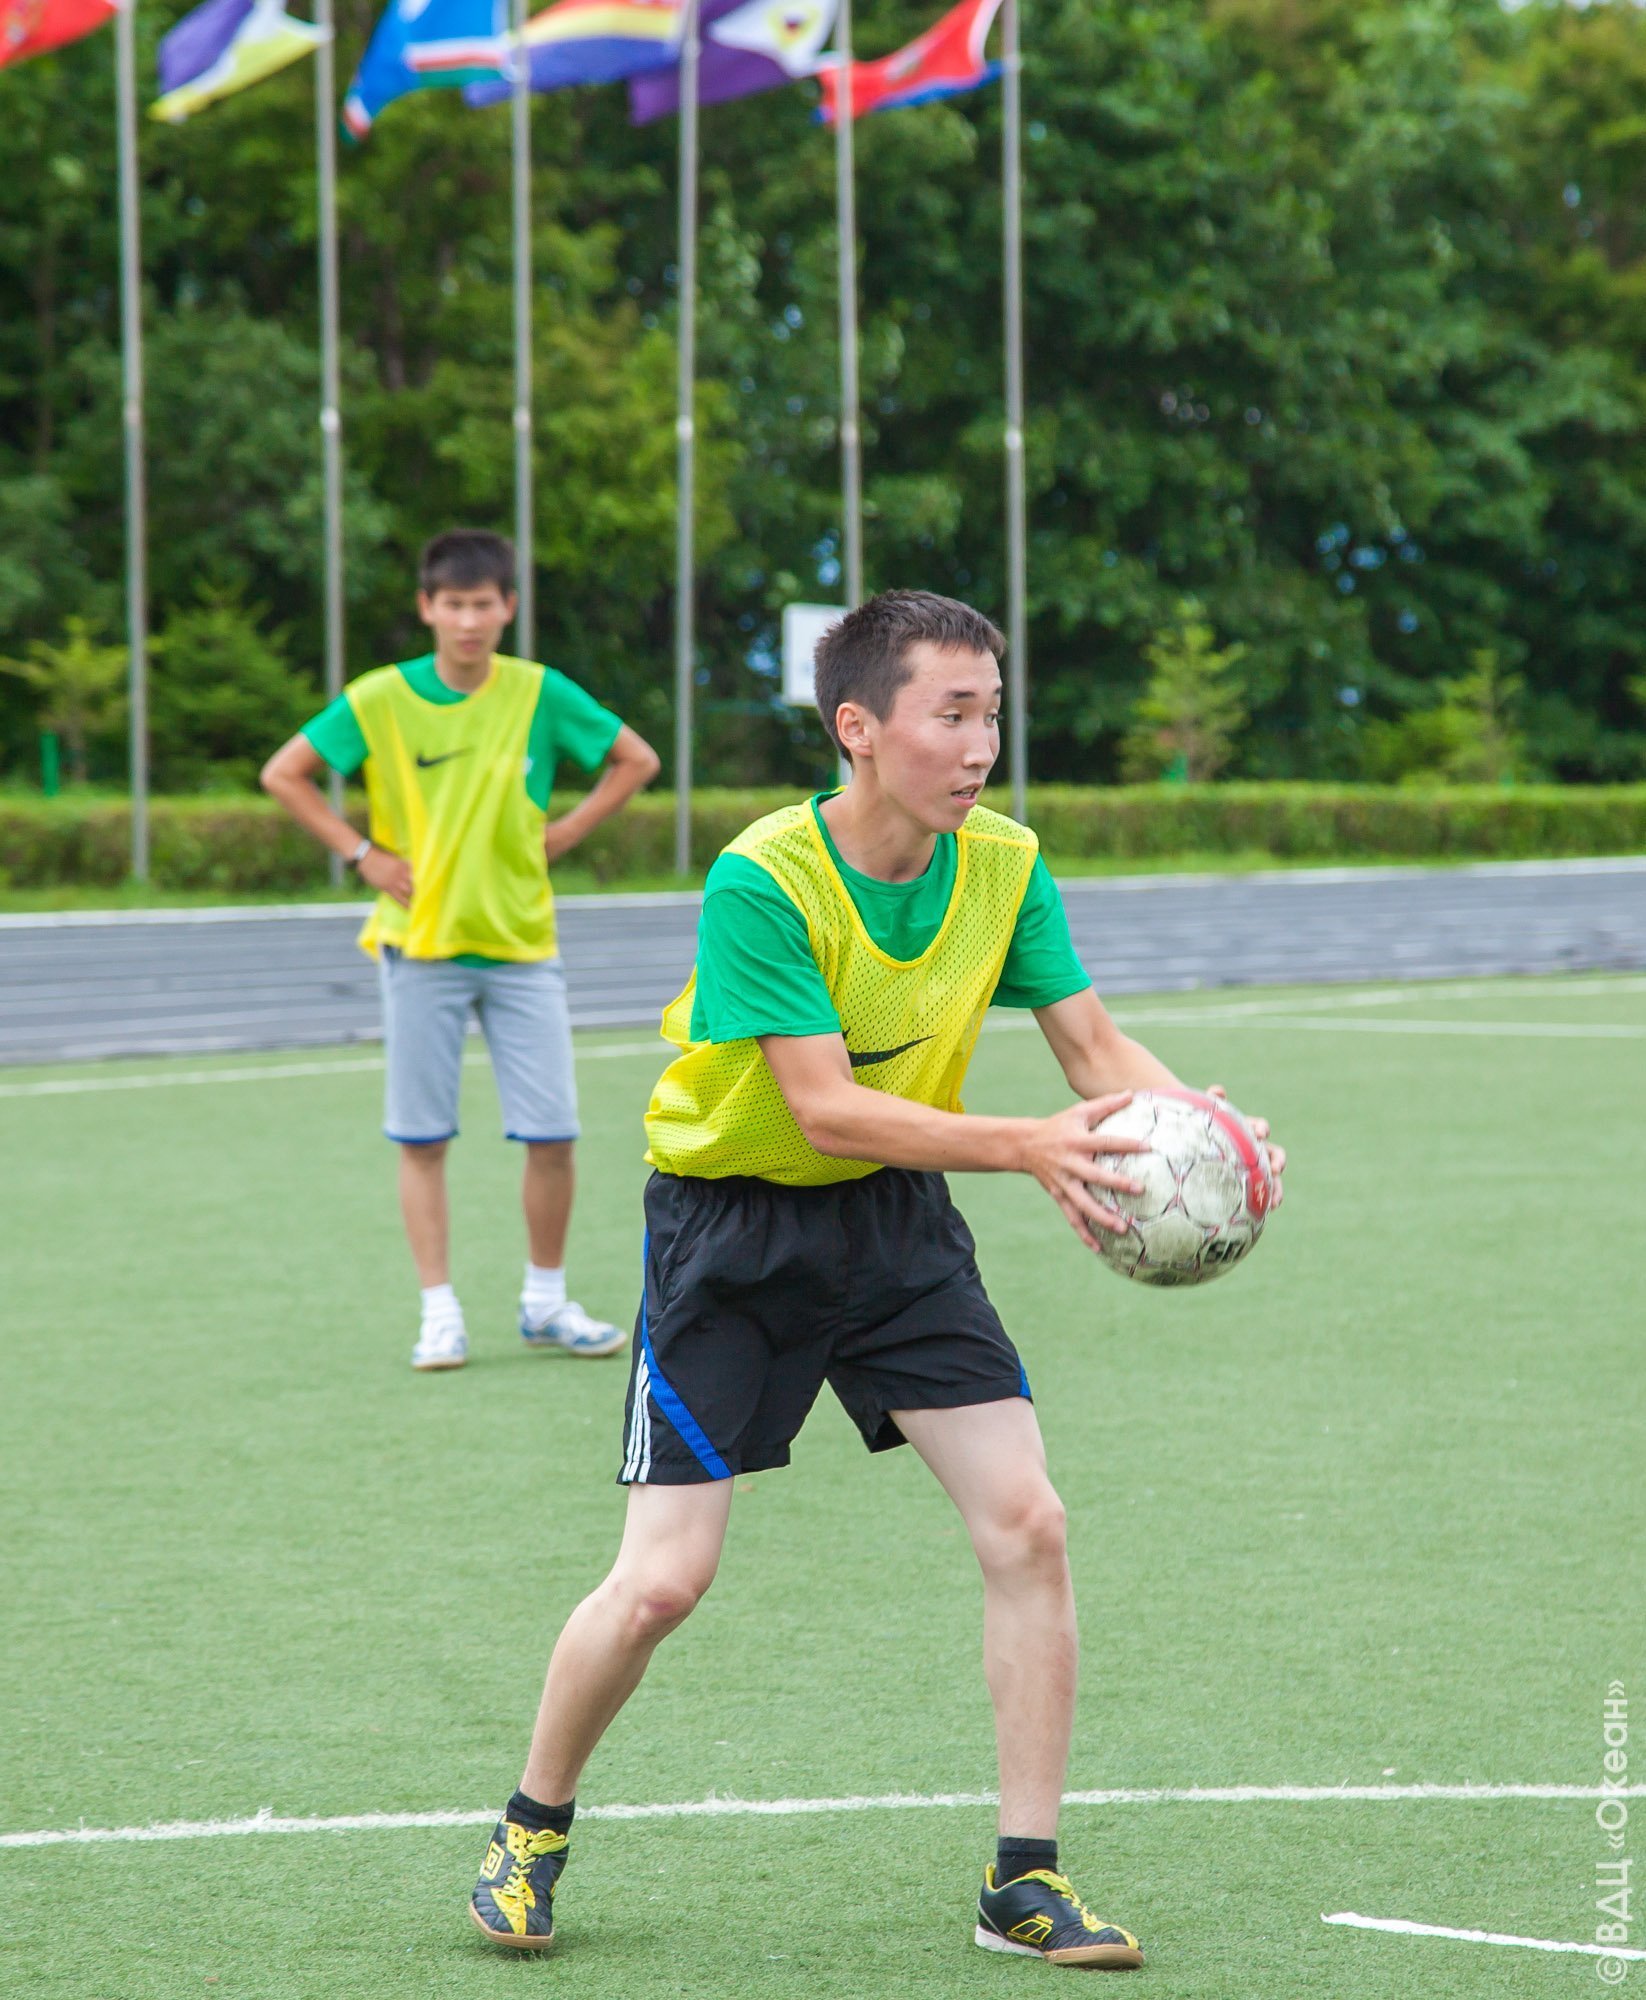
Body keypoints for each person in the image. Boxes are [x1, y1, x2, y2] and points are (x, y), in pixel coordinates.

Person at [465, 589, 1285, 1966]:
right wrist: (1025, 1146)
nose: (979, 745)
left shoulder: (1003, 862)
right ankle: (531, 1823)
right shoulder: (763, 878)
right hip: (733, 1234)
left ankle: (1021, 1878)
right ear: (857, 726)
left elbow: (1092, 1050)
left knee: (1026, 1523)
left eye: (990, 713)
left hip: (896, 1231)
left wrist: (1212, 1132)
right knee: (663, 1581)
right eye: (948, 715)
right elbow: (825, 1107)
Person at [261, 529, 660, 1371]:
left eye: (484, 604)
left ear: (508, 607)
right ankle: (438, 1312)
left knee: (553, 1134)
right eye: (453, 604)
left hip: (522, 945)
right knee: (422, 1139)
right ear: (427, 607)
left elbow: (636, 759)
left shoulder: (539, 691)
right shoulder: (380, 697)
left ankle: (545, 1303)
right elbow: (283, 773)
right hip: (421, 947)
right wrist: (361, 854)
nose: (469, 620)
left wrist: (567, 831)